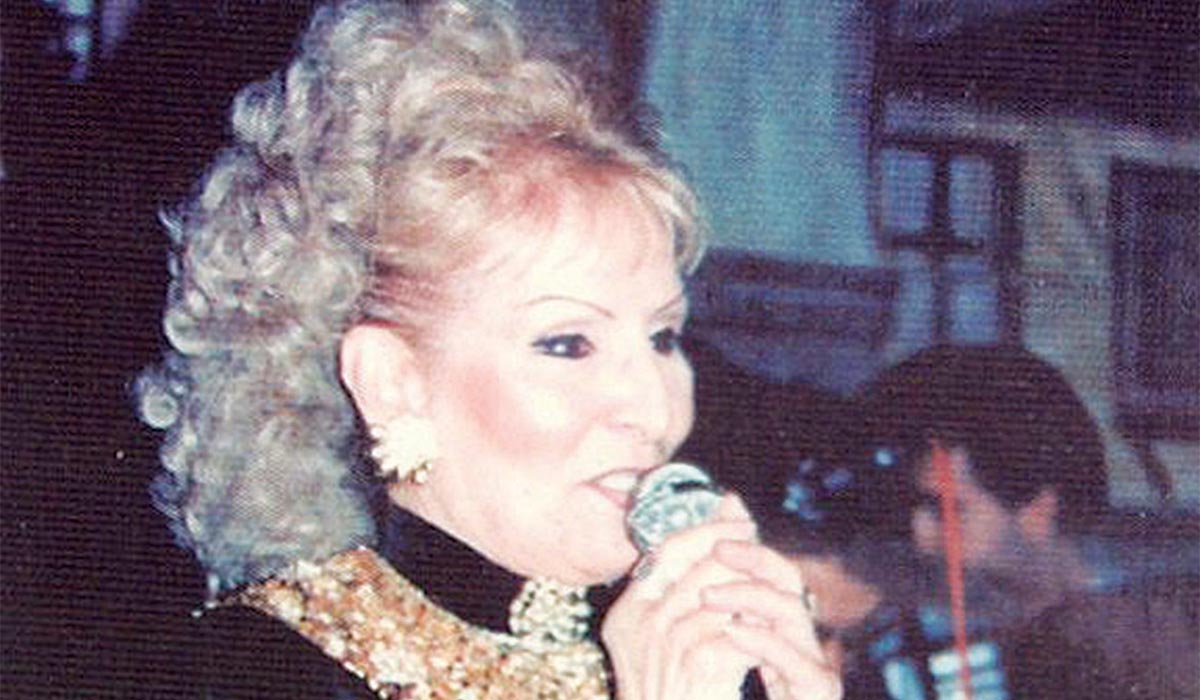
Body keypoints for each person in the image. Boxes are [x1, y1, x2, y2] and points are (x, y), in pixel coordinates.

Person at [135, 2, 841, 699]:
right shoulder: (257, 668)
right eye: (568, 344)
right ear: (392, 383)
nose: (654, 409)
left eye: (662, 337)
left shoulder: (692, 655)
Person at [859, 343, 1199, 700]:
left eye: (948, 511)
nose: (920, 536)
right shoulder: (911, 644)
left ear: (1038, 509)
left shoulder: (1162, 637)